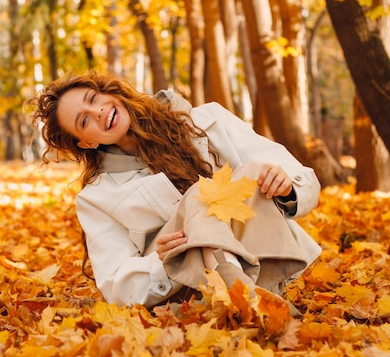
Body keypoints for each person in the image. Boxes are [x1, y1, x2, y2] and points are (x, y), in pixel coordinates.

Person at [26, 71, 321, 310]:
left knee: (254, 171)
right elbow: (116, 285)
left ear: (108, 91)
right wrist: (160, 262)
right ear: (86, 142)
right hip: (188, 290)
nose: (98, 111)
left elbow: (301, 176)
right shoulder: (96, 198)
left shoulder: (208, 119)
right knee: (201, 194)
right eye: (84, 120)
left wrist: (285, 187)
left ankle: (247, 298)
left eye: (93, 98)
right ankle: (244, 296)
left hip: (259, 257)